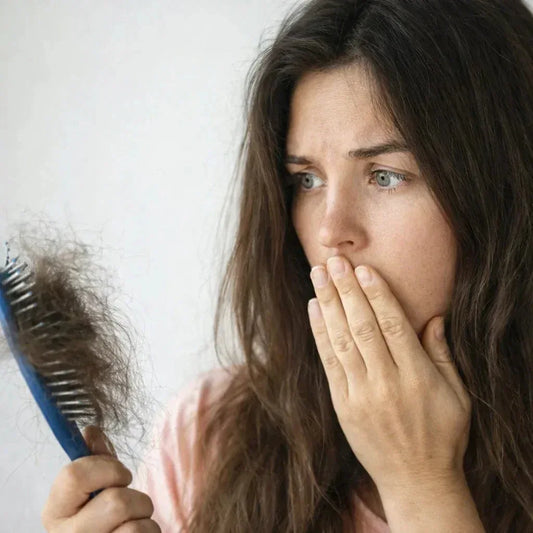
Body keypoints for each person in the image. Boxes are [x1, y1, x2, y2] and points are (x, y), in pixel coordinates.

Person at [41, 0, 533, 531]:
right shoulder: (205, 436)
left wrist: (422, 483)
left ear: (501, 190)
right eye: (308, 180)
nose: (329, 230)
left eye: (385, 175)